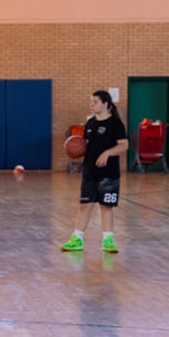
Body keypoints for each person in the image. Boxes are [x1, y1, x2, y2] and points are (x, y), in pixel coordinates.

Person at [62, 91, 129, 254]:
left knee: (106, 207)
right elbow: (86, 145)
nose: (91, 105)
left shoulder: (116, 123)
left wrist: (107, 153)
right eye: (90, 102)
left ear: (105, 104)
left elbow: (124, 145)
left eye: (95, 102)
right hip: (90, 170)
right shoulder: (90, 123)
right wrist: (75, 150)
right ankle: (77, 239)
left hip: (109, 172)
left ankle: (108, 241)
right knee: (85, 205)